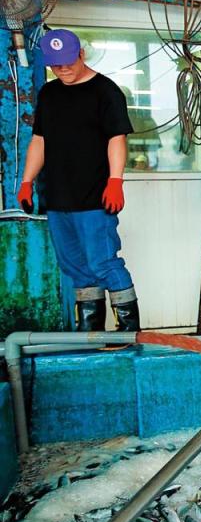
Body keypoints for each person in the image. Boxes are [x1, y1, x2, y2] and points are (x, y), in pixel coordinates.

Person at [17, 29, 141, 331]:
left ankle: (129, 332)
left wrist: (115, 181)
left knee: (103, 263)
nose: (63, 70)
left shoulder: (106, 92)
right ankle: (91, 333)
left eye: (68, 63)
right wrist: (27, 182)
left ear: (81, 55)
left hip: (94, 197)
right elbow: (39, 141)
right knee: (74, 267)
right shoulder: (49, 93)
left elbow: (116, 138)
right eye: (55, 65)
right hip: (58, 199)